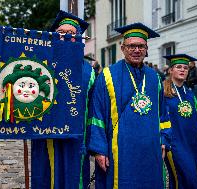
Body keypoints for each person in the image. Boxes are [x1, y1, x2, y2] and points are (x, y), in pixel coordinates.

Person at [87, 23, 172, 188]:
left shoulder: (155, 78)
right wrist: (99, 150)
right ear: (123, 48)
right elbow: (96, 114)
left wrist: (164, 140)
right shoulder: (107, 75)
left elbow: (163, 114)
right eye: (132, 46)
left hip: (150, 151)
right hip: (120, 151)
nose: (136, 50)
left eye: (141, 46)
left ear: (146, 49)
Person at [31, 10, 95, 189]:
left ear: (78, 38)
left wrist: (92, 143)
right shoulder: (40, 64)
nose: (66, 37)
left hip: (75, 140)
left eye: (71, 34)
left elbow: (93, 109)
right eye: (61, 33)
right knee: (46, 177)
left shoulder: (88, 72)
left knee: (74, 181)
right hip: (45, 137)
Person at [163, 54, 197, 189]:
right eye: (178, 67)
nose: (183, 70)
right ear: (171, 70)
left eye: (185, 67)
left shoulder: (189, 93)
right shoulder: (163, 93)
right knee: (187, 180)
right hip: (175, 145)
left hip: (192, 144)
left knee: (183, 181)